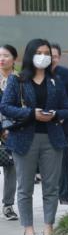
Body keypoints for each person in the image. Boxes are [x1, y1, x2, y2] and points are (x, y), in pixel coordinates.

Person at [0, 39, 68, 235]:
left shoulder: (55, 80)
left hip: (52, 138)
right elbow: (5, 106)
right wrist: (31, 113)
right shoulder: (17, 80)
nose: (43, 56)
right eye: (39, 52)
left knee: (51, 186)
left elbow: (67, 108)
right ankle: (28, 228)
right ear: (30, 55)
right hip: (24, 139)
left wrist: (55, 114)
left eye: (47, 53)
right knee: (25, 187)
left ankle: (49, 225)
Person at [49, 43, 68, 205]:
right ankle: (50, 194)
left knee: (64, 160)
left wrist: (62, 114)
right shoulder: (38, 73)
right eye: (49, 56)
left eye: (55, 56)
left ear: (59, 57)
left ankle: (64, 195)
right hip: (43, 124)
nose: (52, 59)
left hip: (63, 123)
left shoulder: (66, 74)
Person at [0, 44, 19, 221]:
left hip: (13, 130)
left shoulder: (20, 80)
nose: (2, 59)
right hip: (2, 129)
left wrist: (10, 128)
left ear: (14, 59)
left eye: (6, 55)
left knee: (10, 167)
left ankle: (8, 205)